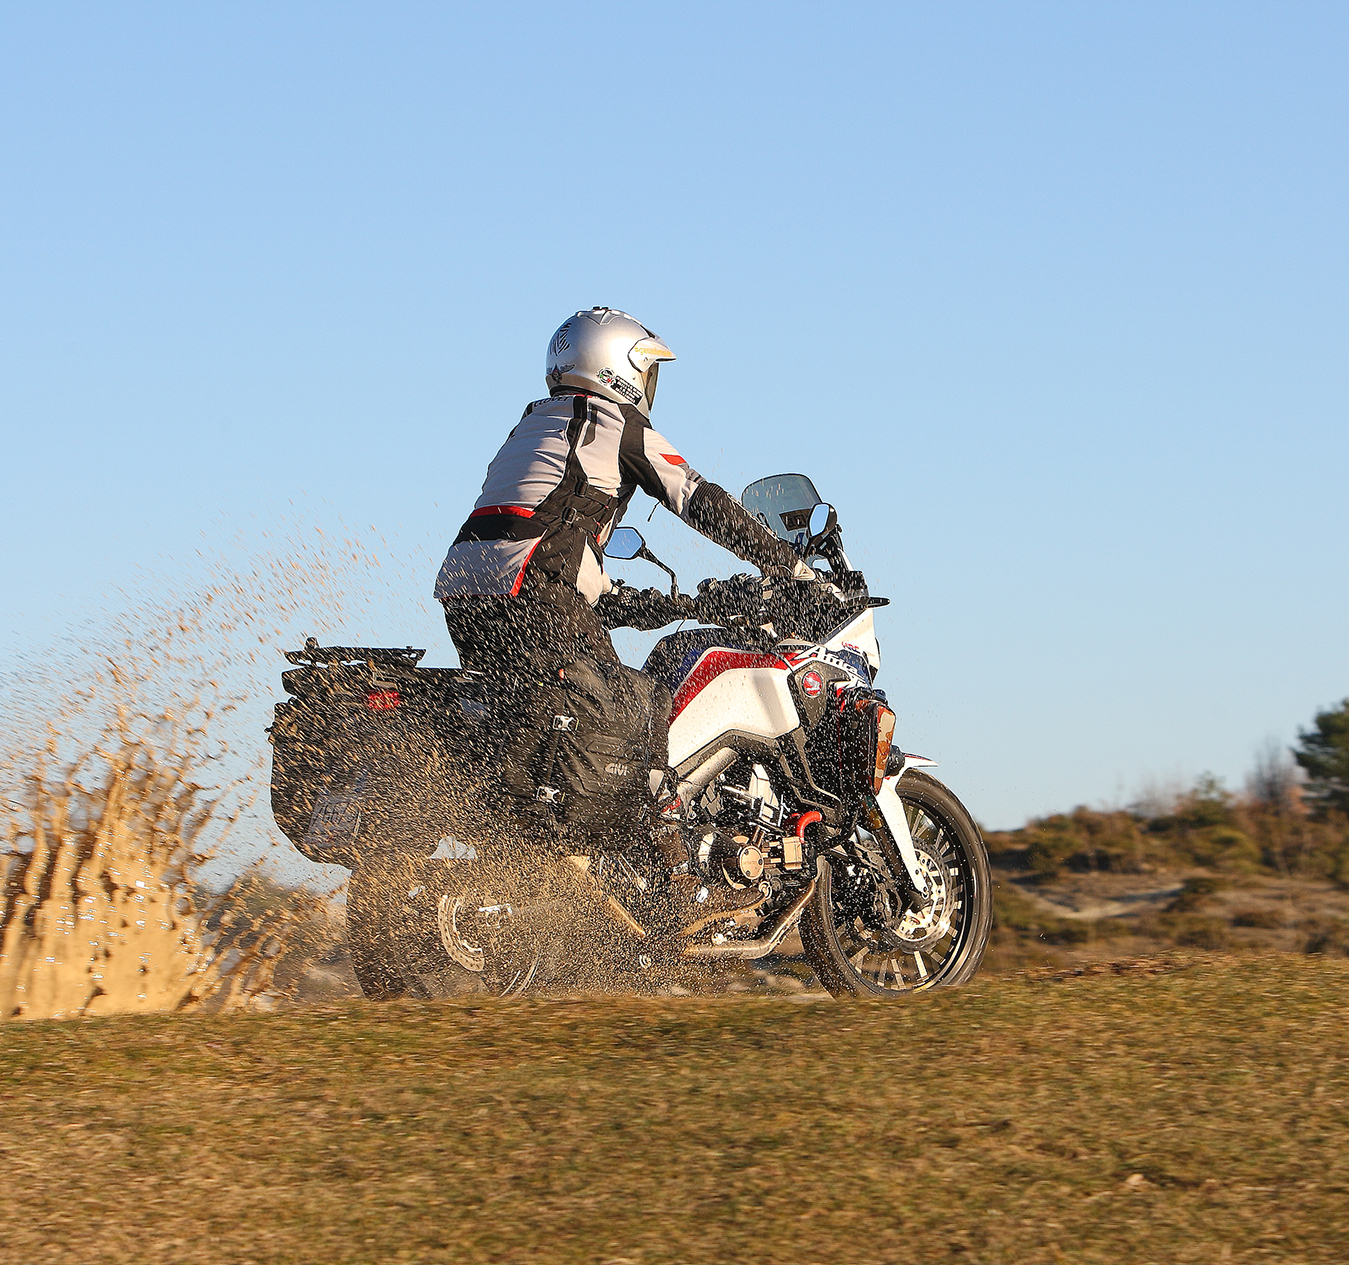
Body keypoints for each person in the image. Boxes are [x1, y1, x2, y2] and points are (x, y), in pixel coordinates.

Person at [434, 308, 810, 916]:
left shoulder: (533, 427)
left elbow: (549, 531)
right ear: (619, 369)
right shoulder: (612, 422)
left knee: (537, 718)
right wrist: (783, 566)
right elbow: (698, 497)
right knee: (642, 706)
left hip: (467, 592)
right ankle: (668, 888)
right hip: (536, 592)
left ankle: (536, 861)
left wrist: (663, 604)